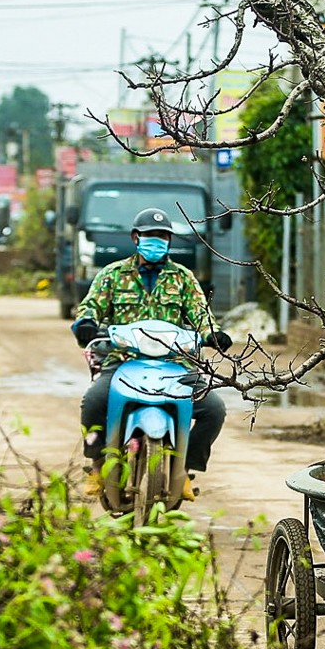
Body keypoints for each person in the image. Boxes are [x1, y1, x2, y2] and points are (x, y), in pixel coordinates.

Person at [70, 208, 232, 499]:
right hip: (123, 362)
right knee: (93, 402)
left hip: (176, 365)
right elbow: (90, 306)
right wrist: (86, 324)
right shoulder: (112, 275)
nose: (156, 241)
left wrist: (213, 334)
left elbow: (201, 314)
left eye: (163, 237)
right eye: (150, 236)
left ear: (169, 241)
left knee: (214, 409)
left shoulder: (183, 278)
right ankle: (97, 465)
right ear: (136, 238)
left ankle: (185, 468)